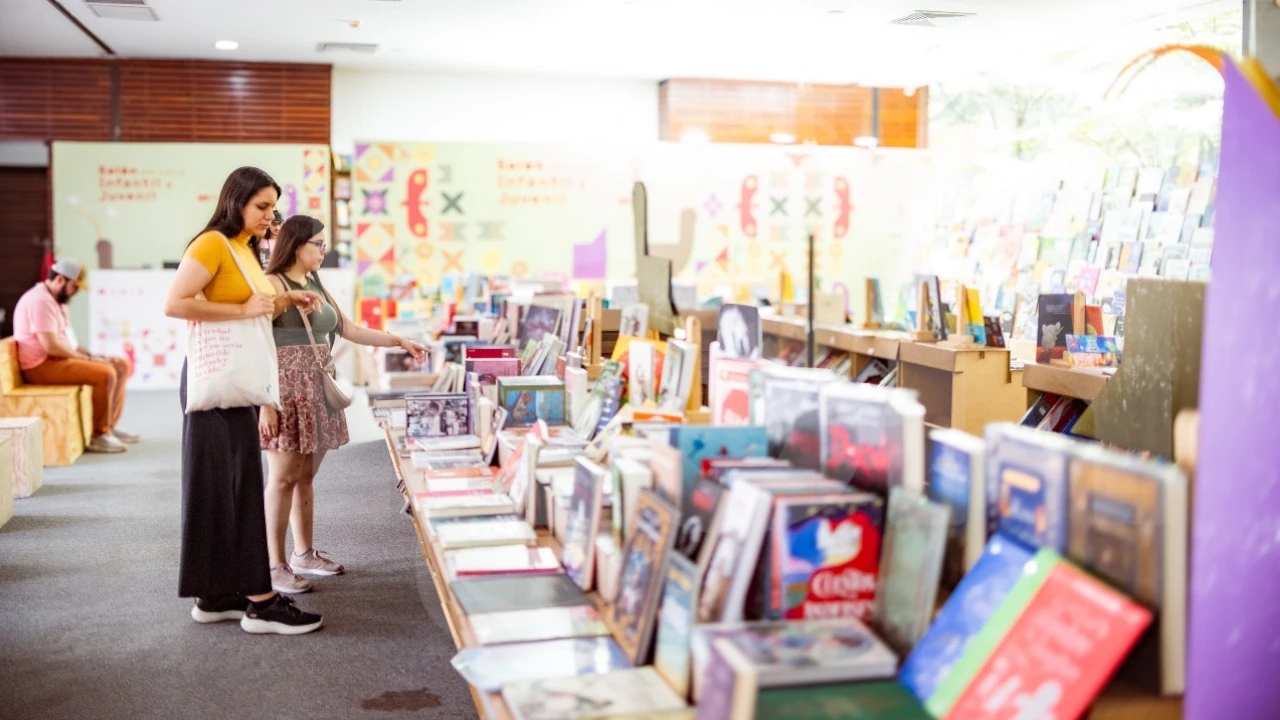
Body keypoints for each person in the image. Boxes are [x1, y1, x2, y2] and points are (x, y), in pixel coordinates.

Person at [164, 166, 325, 634]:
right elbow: (175, 303)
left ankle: (216, 594)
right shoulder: (212, 243)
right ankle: (260, 600)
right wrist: (242, 309)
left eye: (273, 207)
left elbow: (255, 306)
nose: (270, 215)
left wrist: (285, 301)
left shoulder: (244, 248)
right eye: (262, 206)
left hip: (237, 380)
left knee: (223, 486)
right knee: (236, 485)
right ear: (236, 202)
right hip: (217, 381)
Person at [258, 215, 426, 594]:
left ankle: (303, 554)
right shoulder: (273, 284)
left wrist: (399, 341)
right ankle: (273, 565)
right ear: (296, 244)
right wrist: (264, 401)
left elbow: (348, 329)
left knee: (304, 476)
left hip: (317, 387)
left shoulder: (315, 282)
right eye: (318, 243)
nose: (324, 250)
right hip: (285, 389)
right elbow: (256, 344)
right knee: (282, 478)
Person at [13, 259, 139, 453]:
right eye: (74, 287)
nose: (76, 292)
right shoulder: (40, 301)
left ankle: (110, 426)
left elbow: (70, 343)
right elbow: (51, 347)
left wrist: (93, 356)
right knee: (106, 374)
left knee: (121, 365)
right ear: (60, 280)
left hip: (58, 360)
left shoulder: (59, 303)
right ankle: (99, 434)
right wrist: (90, 360)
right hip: (40, 366)